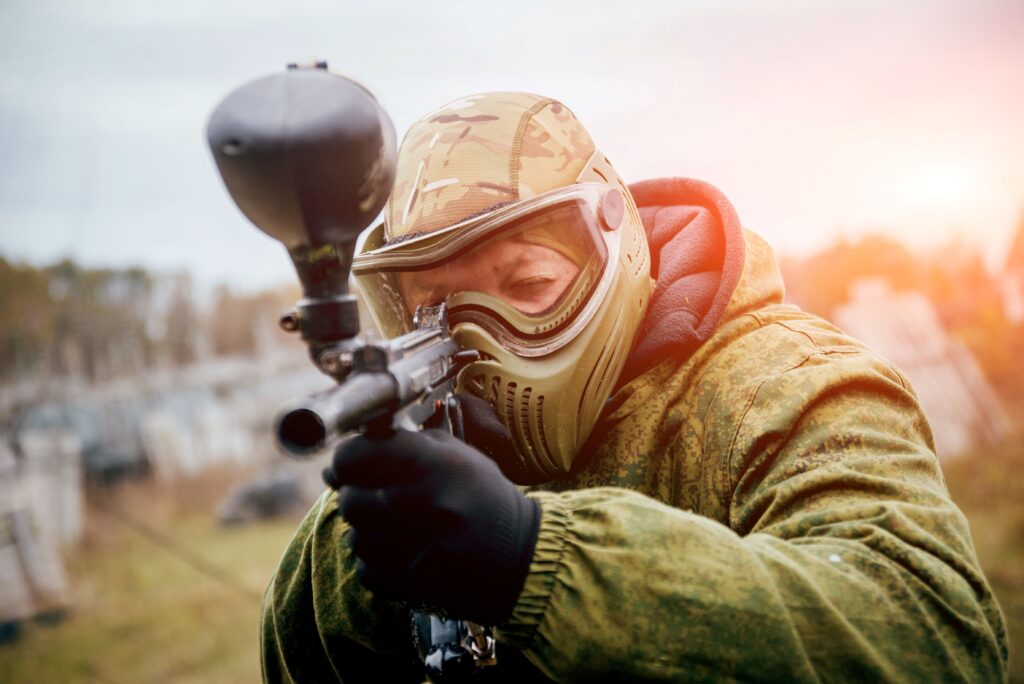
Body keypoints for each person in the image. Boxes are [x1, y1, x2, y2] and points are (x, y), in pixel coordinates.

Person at [259, 92, 1008, 682]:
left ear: (613, 256)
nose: (476, 340)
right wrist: (371, 546)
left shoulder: (791, 389)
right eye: (433, 310)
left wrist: (529, 558)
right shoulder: (429, 450)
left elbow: (928, 639)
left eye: (526, 284)